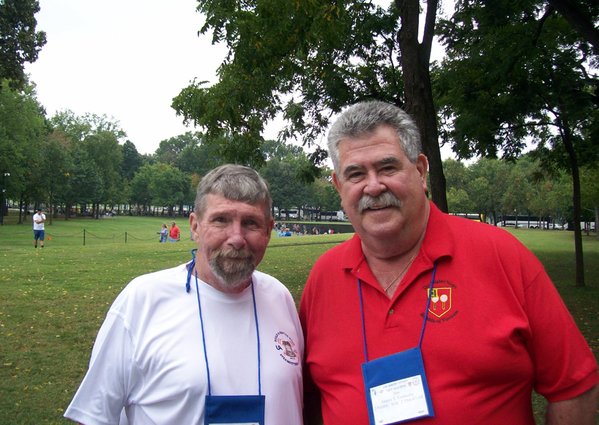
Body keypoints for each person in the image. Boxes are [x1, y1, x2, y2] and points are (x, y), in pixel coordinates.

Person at [299, 101, 599, 425]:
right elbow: (312, 396)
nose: (373, 186)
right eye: (356, 174)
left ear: (421, 171)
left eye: (388, 168)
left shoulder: (502, 256)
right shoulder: (323, 277)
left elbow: (573, 385)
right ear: (339, 186)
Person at [65, 164, 303, 425]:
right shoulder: (142, 300)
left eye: (250, 223)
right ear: (195, 226)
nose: (236, 238)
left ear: (269, 230)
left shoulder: (279, 297)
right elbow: (94, 416)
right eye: (221, 220)